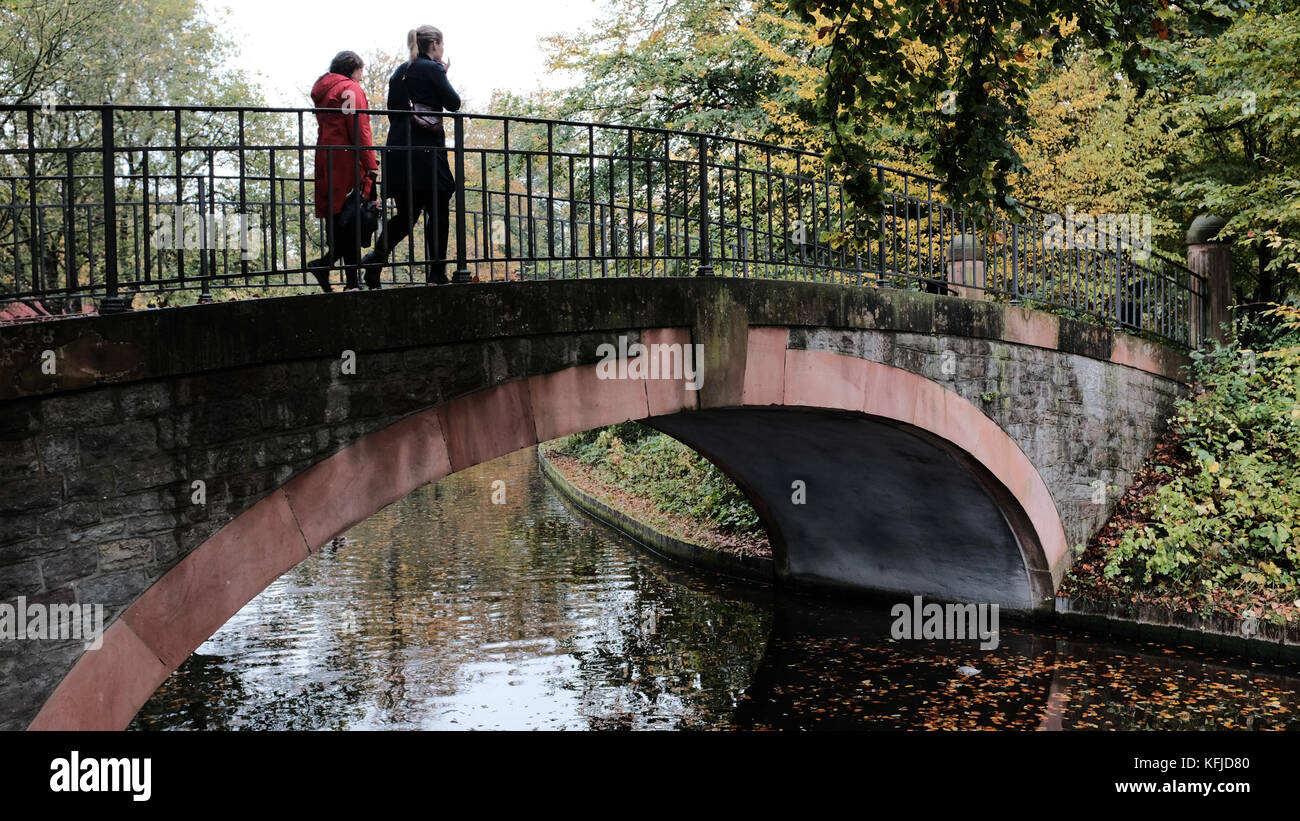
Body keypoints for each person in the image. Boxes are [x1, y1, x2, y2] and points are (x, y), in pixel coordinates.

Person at [361, 25, 461, 288]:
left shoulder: (399, 72)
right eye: (442, 45)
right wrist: (443, 76)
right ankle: (437, 273)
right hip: (426, 153)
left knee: (406, 215)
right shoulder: (432, 68)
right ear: (435, 44)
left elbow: (393, 111)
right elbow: (453, 103)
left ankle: (375, 260)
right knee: (438, 210)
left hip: (399, 152)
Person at [307, 50, 378, 291]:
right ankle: (347, 279)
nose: (361, 78)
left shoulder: (325, 90)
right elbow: (358, 127)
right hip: (348, 161)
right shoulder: (349, 89)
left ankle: (333, 271)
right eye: (360, 72)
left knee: (341, 220)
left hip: (327, 158)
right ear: (353, 69)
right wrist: (371, 164)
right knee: (352, 219)